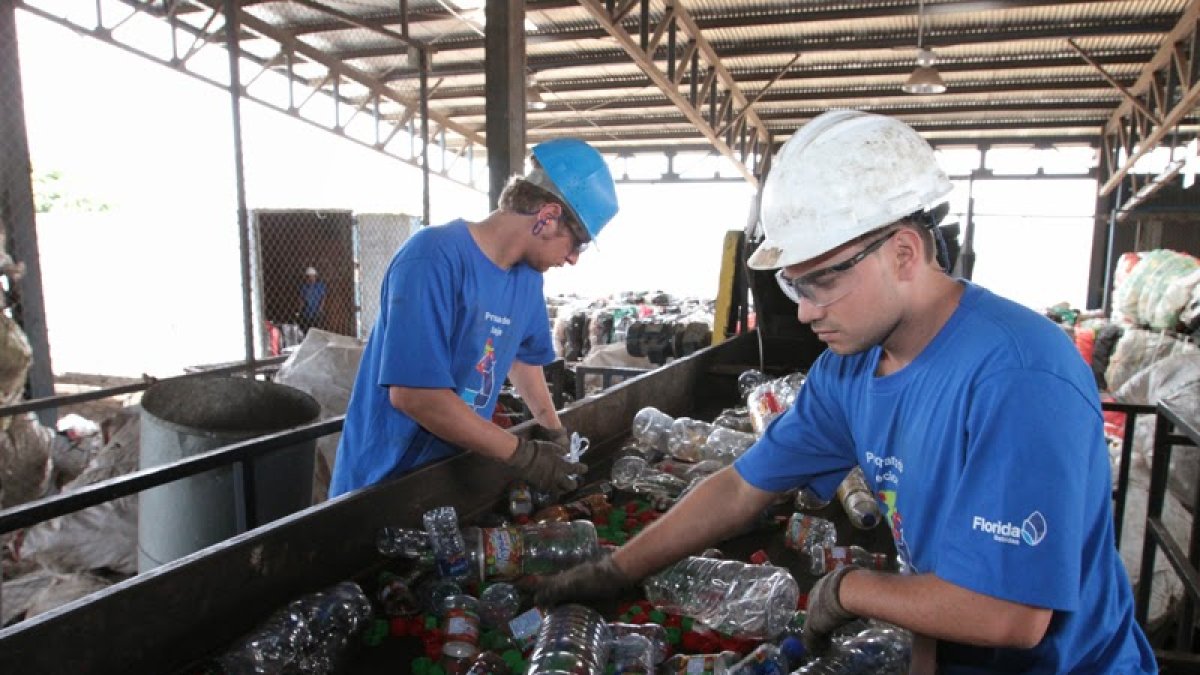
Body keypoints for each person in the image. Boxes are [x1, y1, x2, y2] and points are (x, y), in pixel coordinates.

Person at [532, 111, 1156, 673]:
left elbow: (1007, 616)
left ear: (904, 252)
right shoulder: (850, 368)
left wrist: (849, 588)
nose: (804, 314)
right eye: (794, 287)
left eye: (821, 283)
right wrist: (619, 568)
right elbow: (743, 485)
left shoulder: (1019, 378)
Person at [329, 138, 619, 498]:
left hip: (449, 468)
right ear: (546, 217)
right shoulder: (432, 258)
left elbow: (520, 356)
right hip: (382, 478)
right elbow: (415, 397)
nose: (574, 258)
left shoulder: (527, 278)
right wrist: (524, 456)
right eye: (577, 242)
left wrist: (553, 431)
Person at [298, 266, 327, 333]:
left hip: (317, 311)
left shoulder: (320, 286)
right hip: (307, 312)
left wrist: (321, 307)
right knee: (307, 329)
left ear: (315, 277)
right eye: (309, 277)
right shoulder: (304, 287)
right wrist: (299, 311)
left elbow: (323, 297)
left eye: (312, 276)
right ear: (306, 278)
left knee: (318, 329)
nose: (311, 278)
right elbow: (301, 300)